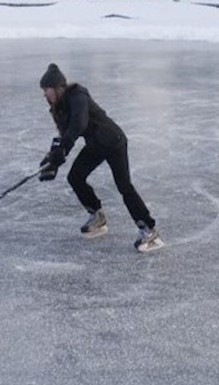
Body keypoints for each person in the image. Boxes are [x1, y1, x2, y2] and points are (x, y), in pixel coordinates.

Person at [37, 63, 163, 253]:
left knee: (124, 186)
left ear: (58, 87)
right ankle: (97, 215)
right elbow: (65, 136)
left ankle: (148, 229)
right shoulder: (59, 108)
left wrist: (62, 149)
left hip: (113, 141)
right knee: (75, 177)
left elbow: (78, 125)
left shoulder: (78, 96)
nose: (44, 95)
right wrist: (53, 160)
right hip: (96, 145)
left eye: (46, 90)